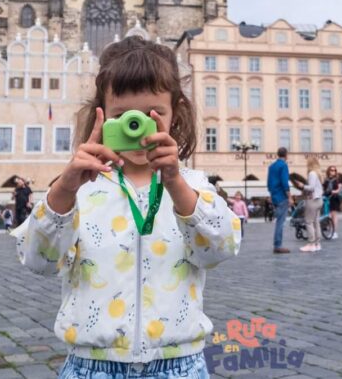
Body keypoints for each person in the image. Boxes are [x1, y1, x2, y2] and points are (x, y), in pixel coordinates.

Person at [15, 36, 239, 378]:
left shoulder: (192, 185)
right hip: (92, 364)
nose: (139, 129)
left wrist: (175, 183)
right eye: (123, 116)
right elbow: (39, 260)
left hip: (179, 364)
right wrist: (65, 187)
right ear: (100, 117)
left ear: (175, 113)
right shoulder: (82, 190)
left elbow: (220, 248)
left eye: (153, 114)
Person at [292, 157, 324, 252]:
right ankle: (317, 244)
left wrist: (302, 186)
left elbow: (311, 188)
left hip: (312, 200)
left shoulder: (312, 173)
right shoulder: (318, 174)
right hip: (319, 200)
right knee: (316, 222)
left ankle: (311, 244)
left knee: (309, 222)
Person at [267, 147, 292, 254]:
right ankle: (278, 245)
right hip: (282, 196)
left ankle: (277, 244)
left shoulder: (271, 166)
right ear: (286, 155)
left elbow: (268, 184)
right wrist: (290, 197)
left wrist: (272, 194)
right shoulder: (283, 165)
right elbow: (284, 183)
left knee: (279, 221)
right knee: (280, 222)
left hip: (275, 196)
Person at [322, 166, 342, 239]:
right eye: (331, 170)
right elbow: (323, 188)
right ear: (328, 171)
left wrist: (334, 191)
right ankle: (329, 230)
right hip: (326, 198)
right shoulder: (326, 180)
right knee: (327, 215)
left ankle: (335, 232)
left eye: (334, 170)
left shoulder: (337, 180)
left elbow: (339, 189)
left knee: (334, 216)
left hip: (334, 198)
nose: (333, 171)